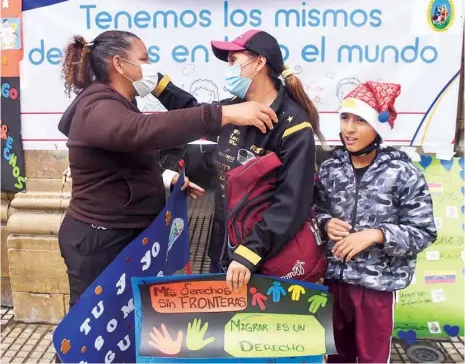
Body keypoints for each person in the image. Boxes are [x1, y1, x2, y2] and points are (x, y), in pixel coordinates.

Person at [57, 30, 278, 316]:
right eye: (144, 59)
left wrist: (164, 178)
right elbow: (141, 132)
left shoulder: (118, 104)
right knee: (91, 328)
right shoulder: (97, 105)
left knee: (121, 325)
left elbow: (124, 155)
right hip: (99, 243)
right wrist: (222, 114)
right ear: (119, 65)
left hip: (122, 237)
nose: (151, 67)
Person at [150, 29, 326, 292]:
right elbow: (195, 113)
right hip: (222, 249)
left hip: (262, 260)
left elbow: (292, 202)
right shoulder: (233, 110)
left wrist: (250, 253)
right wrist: (157, 84)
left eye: (234, 60)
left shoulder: (293, 124)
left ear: (259, 62)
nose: (229, 68)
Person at [313, 81, 437, 363]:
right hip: (333, 284)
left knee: (372, 359)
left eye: (360, 120)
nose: (349, 129)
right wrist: (324, 223)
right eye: (345, 118)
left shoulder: (403, 172)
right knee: (335, 357)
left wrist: (377, 234)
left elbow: (423, 232)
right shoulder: (331, 167)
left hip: (377, 288)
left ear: (378, 128)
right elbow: (314, 209)